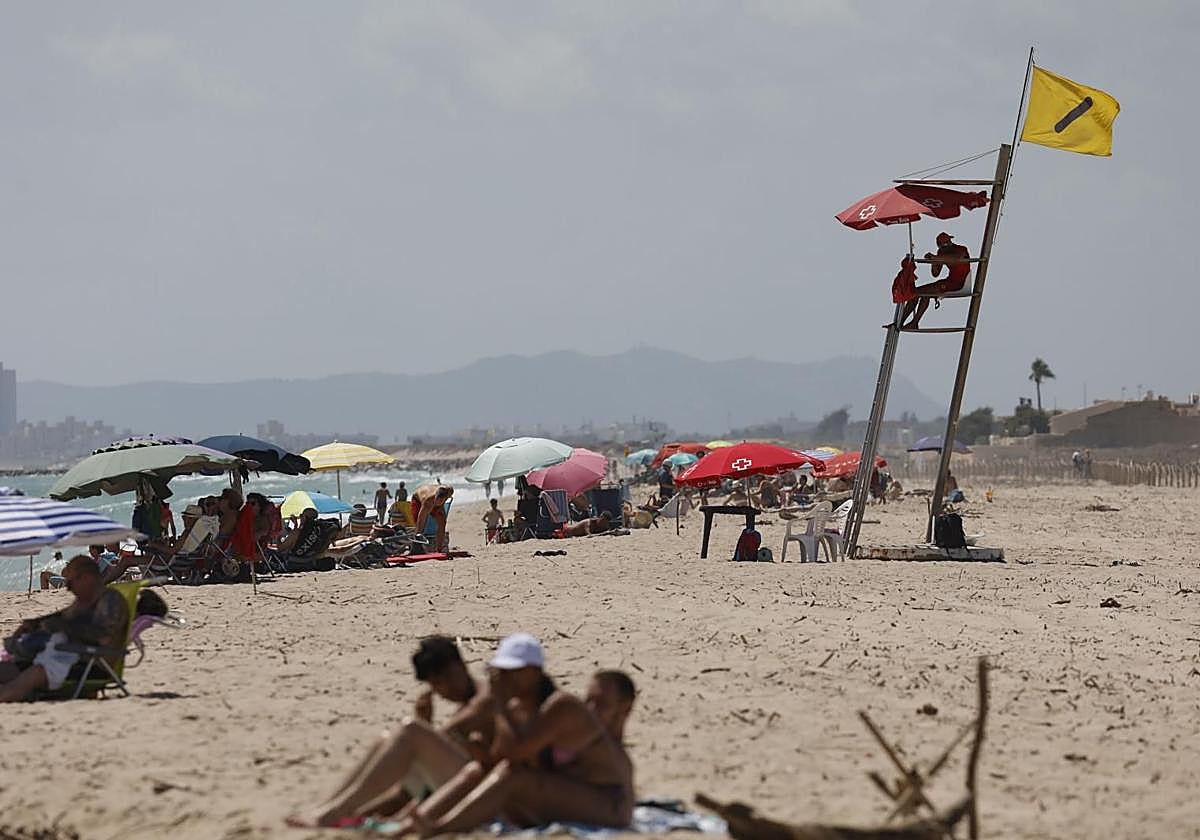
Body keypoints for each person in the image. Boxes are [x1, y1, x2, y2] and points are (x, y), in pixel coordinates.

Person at [394, 634, 634, 836]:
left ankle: (439, 829)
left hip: (609, 802)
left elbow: (514, 755)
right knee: (478, 770)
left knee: (512, 776)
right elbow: (499, 757)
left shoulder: (561, 706)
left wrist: (499, 703)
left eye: (512, 672)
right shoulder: (520, 707)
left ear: (534, 672)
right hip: (569, 794)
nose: (504, 678)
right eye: (502, 672)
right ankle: (409, 826)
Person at [288, 636, 495, 828]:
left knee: (411, 731)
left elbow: (452, 731)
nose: (444, 689)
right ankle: (328, 807)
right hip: (461, 784)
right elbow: (409, 792)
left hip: (488, 793)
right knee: (385, 740)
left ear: (459, 666)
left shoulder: (485, 698)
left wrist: (425, 728)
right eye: (436, 685)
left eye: (444, 680)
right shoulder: (467, 703)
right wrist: (367, 814)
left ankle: (335, 812)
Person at [0, 555, 129, 702]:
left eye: (70, 583)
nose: (68, 589)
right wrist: (33, 624)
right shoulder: (85, 601)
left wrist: (64, 627)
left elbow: (104, 638)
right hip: (64, 658)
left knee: (25, 680)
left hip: (91, 666)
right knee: (5, 669)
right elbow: (61, 617)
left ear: (86, 578)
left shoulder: (110, 601)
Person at [899, 232, 972, 330]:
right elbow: (935, 273)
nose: (949, 244)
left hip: (959, 284)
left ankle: (913, 322)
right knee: (915, 292)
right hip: (948, 281)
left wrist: (936, 258)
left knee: (921, 293)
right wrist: (933, 261)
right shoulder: (941, 253)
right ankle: (901, 322)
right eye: (946, 243)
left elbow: (955, 258)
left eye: (949, 242)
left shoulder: (961, 249)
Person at [412, 484, 454, 553]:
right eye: (438, 502)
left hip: (435, 497)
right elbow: (421, 522)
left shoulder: (448, 491)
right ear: (435, 498)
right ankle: (416, 546)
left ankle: (439, 549)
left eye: (442, 501)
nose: (439, 504)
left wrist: (439, 505)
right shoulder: (428, 502)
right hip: (417, 501)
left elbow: (448, 488)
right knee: (419, 525)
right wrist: (418, 535)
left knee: (442, 522)